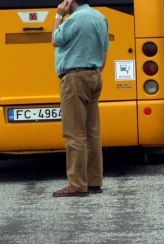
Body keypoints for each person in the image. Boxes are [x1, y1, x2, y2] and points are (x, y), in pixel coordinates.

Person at [51, 0, 110, 197]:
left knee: (74, 133)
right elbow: (104, 51)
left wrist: (59, 15)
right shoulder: (100, 18)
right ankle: (94, 181)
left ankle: (77, 184)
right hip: (94, 75)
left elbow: (55, 40)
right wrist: (96, 72)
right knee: (92, 132)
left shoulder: (73, 19)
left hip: (74, 78)